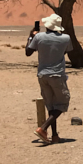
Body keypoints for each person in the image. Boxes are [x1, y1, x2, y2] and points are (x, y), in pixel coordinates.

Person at [26, 14, 73, 144]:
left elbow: (28, 52)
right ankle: (43, 128)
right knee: (63, 103)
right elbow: (65, 52)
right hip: (57, 75)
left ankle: (54, 135)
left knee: (51, 105)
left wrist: (31, 36)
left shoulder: (38, 37)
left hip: (42, 75)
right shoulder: (66, 38)